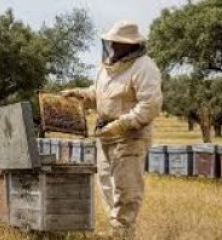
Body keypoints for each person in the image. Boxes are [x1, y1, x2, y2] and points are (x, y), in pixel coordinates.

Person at [62, 21, 163, 239]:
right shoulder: (106, 68)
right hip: (105, 135)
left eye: (119, 43)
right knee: (107, 185)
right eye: (112, 42)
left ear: (131, 45)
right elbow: (98, 95)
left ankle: (122, 232)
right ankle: (116, 230)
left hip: (130, 137)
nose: (114, 46)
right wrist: (80, 94)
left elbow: (150, 105)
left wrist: (121, 125)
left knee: (126, 188)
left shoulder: (144, 68)